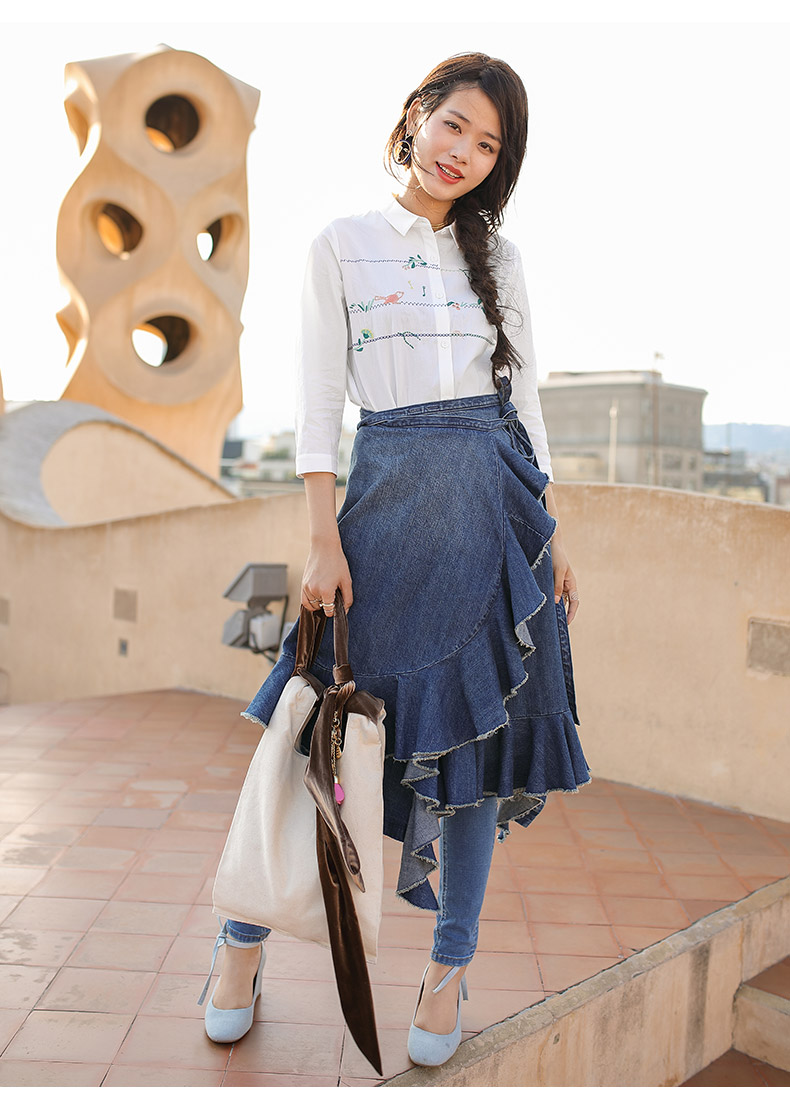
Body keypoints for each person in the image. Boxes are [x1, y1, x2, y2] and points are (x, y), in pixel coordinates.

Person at [199, 51, 591, 1069]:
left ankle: (448, 967)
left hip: (496, 517)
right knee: (312, 734)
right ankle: (239, 942)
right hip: (382, 514)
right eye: (454, 125)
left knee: (474, 754)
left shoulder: (502, 260)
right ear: (416, 116)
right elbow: (318, 404)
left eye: (489, 145)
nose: (464, 152)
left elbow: (526, 403)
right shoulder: (342, 243)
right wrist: (321, 538)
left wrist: (550, 536)